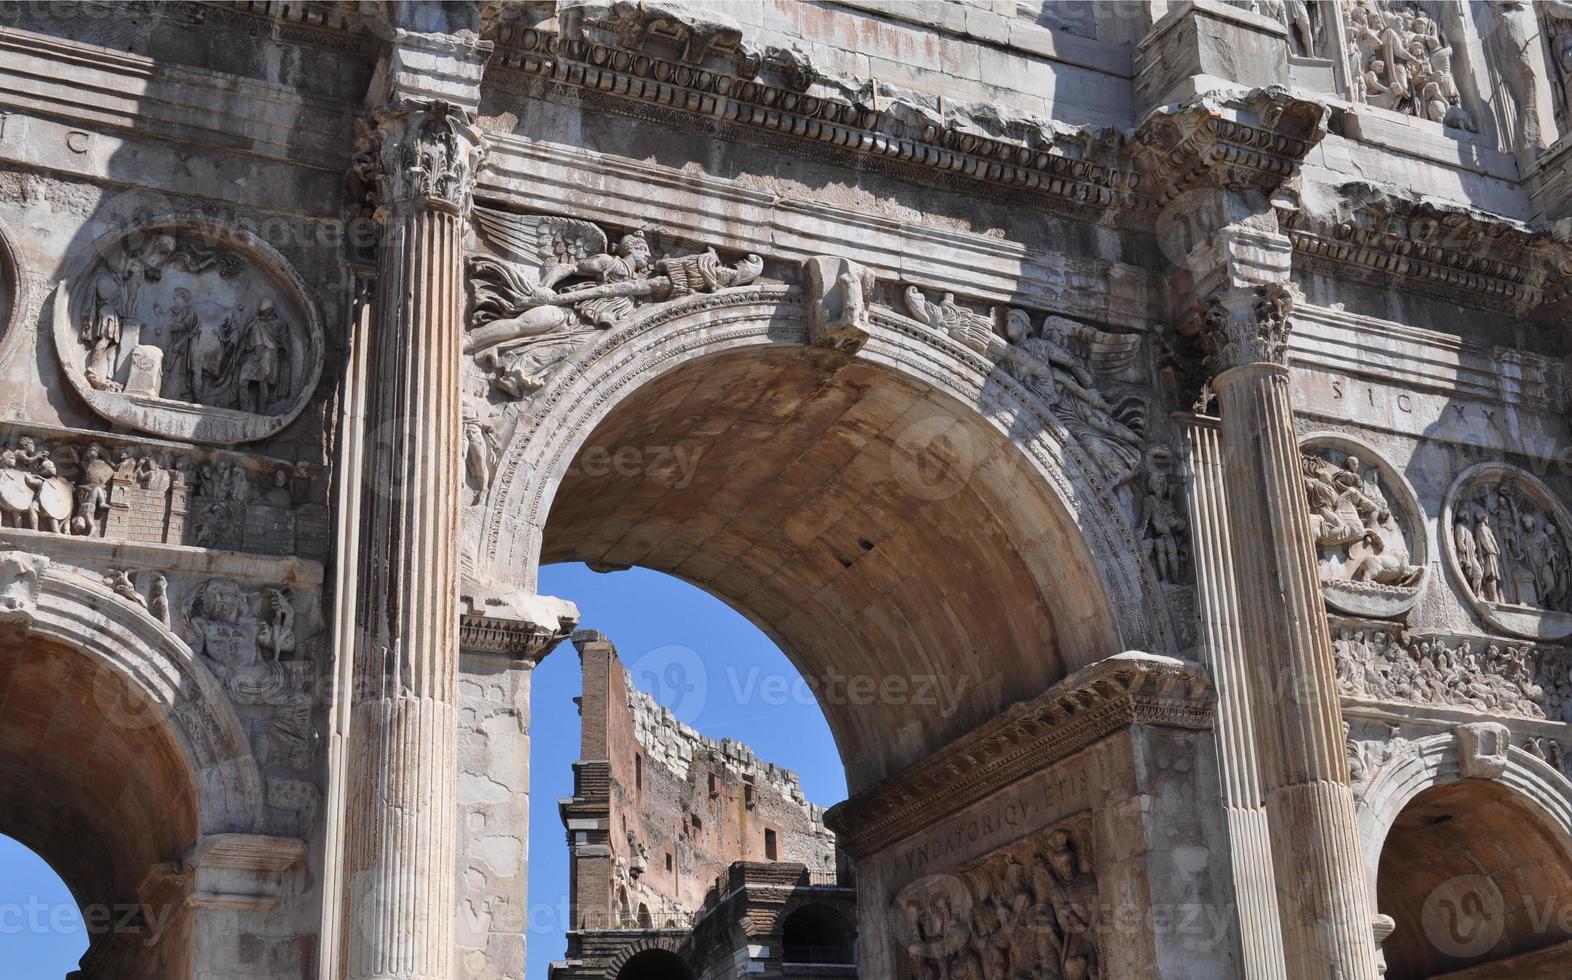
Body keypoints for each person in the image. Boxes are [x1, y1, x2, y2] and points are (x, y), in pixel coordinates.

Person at [235, 299, 289, 413]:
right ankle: (244, 410)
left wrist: (287, 352)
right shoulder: (255, 322)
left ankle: (261, 412)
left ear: (271, 311)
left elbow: (284, 341)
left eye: (266, 311)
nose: (264, 313)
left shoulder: (278, 324)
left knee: (263, 384)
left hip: (268, 356)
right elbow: (245, 340)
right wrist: (237, 356)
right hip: (253, 355)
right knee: (242, 379)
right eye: (263, 311)